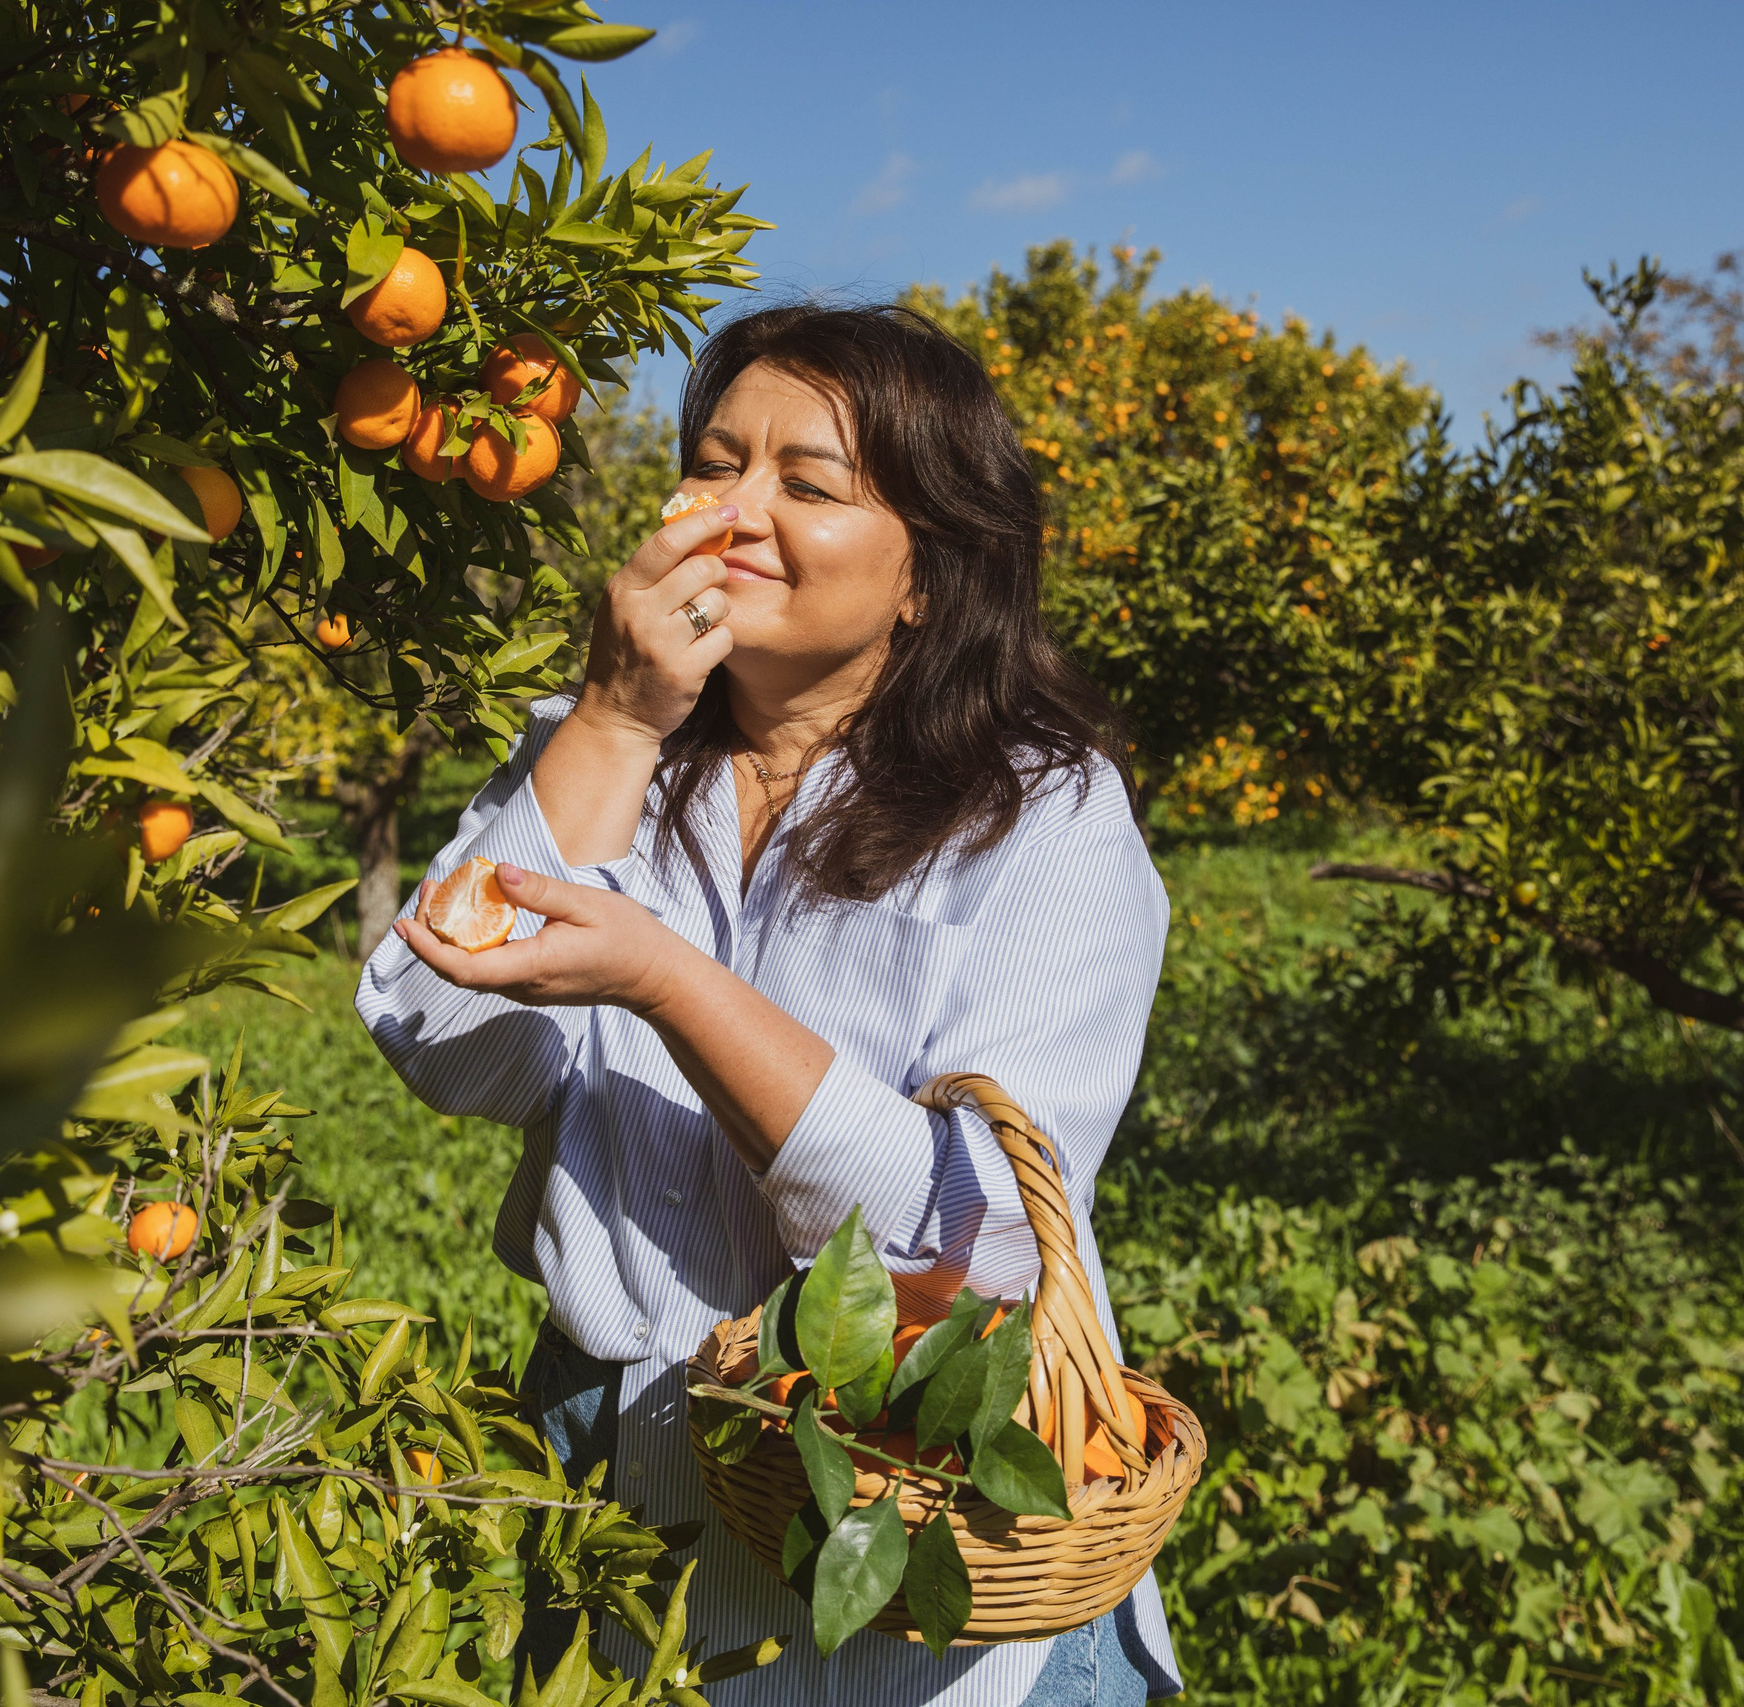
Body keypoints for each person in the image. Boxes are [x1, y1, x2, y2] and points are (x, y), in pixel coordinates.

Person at [356, 303, 1177, 1705]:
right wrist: (615, 725)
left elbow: (974, 1246)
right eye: (714, 464)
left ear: (930, 571)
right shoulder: (610, 748)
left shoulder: (1039, 815)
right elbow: (441, 1044)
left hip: (919, 1530)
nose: (735, 513)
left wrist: (668, 982)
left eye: (805, 484)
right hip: (633, 1503)